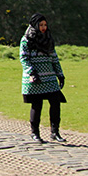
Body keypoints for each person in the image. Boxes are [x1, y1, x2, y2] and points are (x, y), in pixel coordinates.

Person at [20, 12, 67, 143]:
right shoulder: (26, 40)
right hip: (35, 77)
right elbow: (24, 58)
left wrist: (60, 74)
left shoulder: (48, 38)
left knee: (56, 103)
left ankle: (55, 132)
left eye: (45, 24)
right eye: (41, 25)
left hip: (49, 77)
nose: (43, 27)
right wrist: (32, 72)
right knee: (37, 105)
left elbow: (54, 58)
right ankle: (35, 133)